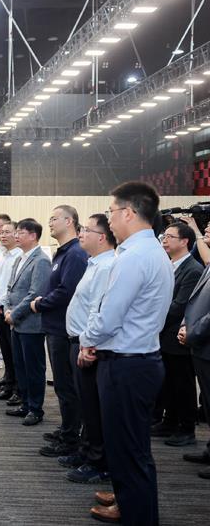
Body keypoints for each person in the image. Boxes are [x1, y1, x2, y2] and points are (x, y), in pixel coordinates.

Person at [80, 182, 172, 525]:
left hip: (127, 365)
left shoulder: (134, 257)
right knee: (129, 447)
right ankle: (129, 502)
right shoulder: (148, 251)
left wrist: (87, 339)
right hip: (136, 361)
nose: (110, 220)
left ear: (129, 213)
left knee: (129, 450)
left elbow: (109, 316)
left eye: (111, 212)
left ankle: (138, 514)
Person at [62, 214, 116, 484]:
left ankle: (97, 461)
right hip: (80, 342)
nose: (81, 233)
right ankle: (86, 452)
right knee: (86, 405)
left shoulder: (107, 266)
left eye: (86, 230)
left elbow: (98, 310)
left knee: (93, 407)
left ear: (102, 237)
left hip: (88, 345)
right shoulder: (94, 263)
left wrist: (88, 344)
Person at [32, 206, 88, 458]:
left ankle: (70, 438)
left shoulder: (75, 254)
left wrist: (41, 303)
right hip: (55, 326)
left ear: (70, 221)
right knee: (63, 386)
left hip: (64, 329)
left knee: (67, 387)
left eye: (54, 218)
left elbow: (67, 291)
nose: (50, 223)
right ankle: (68, 428)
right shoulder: (63, 252)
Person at [151, 223, 202, 447]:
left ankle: (186, 428)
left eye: (170, 237)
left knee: (183, 384)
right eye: (164, 236)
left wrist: (152, 316)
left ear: (184, 241)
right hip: (164, 335)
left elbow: (179, 306)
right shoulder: (169, 265)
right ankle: (169, 422)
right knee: (168, 383)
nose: (164, 240)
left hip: (177, 336)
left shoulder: (192, 270)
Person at [4, 219, 51, 426]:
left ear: (33, 236)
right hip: (15, 321)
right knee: (20, 365)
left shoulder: (41, 260)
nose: (16, 236)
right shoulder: (19, 258)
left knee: (33, 368)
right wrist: (7, 309)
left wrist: (14, 314)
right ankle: (25, 403)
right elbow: (10, 289)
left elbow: (36, 293)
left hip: (31, 324)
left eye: (20, 232)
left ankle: (35, 408)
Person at [179, 233, 210, 481]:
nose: (205, 229)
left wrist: (193, 332)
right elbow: (195, 301)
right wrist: (185, 325)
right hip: (200, 345)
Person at [0, 221, 23, 401]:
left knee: (14, 351)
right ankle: (8, 384)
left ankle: (17, 387)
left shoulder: (20, 255)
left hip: (9, 308)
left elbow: (12, 285)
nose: (2, 235)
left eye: (7, 232)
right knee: (5, 348)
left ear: (16, 234)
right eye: (1, 232)